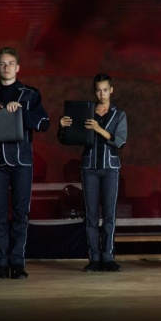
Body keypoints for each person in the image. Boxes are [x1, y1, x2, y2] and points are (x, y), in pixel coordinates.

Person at [0, 47, 49, 280]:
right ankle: (1, 264)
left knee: (21, 213)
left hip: (22, 161)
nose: (6, 67)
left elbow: (44, 123)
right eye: (2, 63)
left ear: (18, 67)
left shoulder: (30, 94)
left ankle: (18, 264)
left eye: (10, 63)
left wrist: (22, 112)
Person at [59, 73, 127, 272]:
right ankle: (94, 258)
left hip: (110, 168)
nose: (102, 94)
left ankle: (108, 257)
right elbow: (68, 138)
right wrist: (62, 127)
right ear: (94, 91)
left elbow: (120, 141)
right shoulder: (86, 112)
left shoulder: (119, 115)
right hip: (89, 168)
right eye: (98, 90)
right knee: (91, 215)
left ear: (111, 90)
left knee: (109, 215)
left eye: (105, 90)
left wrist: (98, 129)